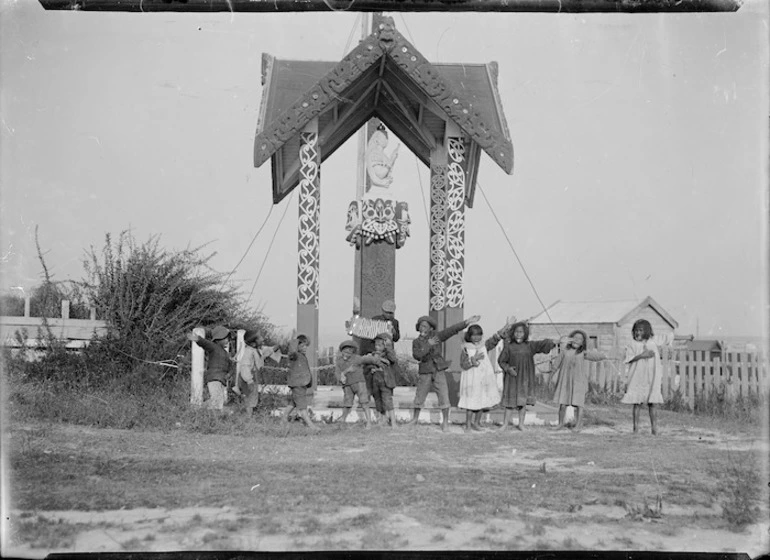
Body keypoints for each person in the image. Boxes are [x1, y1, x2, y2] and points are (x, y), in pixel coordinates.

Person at [409, 313, 481, 432]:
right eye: (421, 326)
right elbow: (418, 355)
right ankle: (414, 420)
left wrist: (467, 322)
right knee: (420, 396)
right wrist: (428, 344)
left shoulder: (437, 337)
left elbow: (451, 330)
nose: (423, 329)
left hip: (439, 370)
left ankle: (445, 423)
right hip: (425, 371)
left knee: (444, 396)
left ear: (431, 328)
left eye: (425, 326)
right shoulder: (416, 342)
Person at [497, 322, 558, 431]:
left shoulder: (530, 346)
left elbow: (542, 344)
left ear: (525, 333)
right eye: (516, 332)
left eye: (521, 332)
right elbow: (501, 361)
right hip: (512, 378)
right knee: (509, 403)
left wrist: (553, 342)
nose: (518, 334)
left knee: (522, 403)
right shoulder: (509, 346)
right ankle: (505, 424)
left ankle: (521, 424)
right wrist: (508, 369)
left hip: (525, 378)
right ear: (513, 333)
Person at [551, 330, 608, 431]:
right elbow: (556, 364)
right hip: (565, 382)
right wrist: (551, 375)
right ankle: (560, 423)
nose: (577, 340)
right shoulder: (564, 352)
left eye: (580, 339)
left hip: (578, 382)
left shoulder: (583, 353)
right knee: (563, 404)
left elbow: (595, 357)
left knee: (579, 405)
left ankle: (578, 425)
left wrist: (603, 355)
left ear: (583, 343)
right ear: (570, 339)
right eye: (575, 338)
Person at [458, 322, 511, 432]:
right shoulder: (465, 349)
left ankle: (477, 423)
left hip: (483, 377)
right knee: (470, 403)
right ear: (469, 336)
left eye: (479, 335)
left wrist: (505, 327)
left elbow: (495, 338)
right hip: (471, 379)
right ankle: (468, 425)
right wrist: (473, 359)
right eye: (474, 335)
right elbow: (463, 365)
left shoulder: (484, 345)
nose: (477, 337)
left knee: (482, 401)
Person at [620, 319, 666, 435]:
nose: (637, 333)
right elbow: (628, 359)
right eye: (635, 331)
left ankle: (654, 429)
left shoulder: (653, 342)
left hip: (651, 377)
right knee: (637, 402)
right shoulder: (632, 344)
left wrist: (686, 337)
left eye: (640, 330)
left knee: (652, 403)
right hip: (638, 376)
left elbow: (667, 337)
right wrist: (642, 355)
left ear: (646, 331)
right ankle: (635, 429)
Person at [236, 330, 282, 415]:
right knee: (250, 397)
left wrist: (275, 348)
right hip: (247, 377)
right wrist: (249, 380)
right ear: (253, 343)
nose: (263, 338)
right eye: (260, 338)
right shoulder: (248, 352)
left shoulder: (256, 349)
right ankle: (248, 416)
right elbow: (245, 366)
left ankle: (248, 415)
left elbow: (266, 351)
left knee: (252, 396)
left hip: (252, 376)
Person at [187, 326, 232, 412]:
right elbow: (205, 343)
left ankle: (199, 409)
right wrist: (198, 339)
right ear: (218, 339)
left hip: (222, 379)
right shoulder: (214, 347)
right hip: (214, 378)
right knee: (217, 399)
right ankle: (207, 414)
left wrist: (229, 373)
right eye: (225, 338)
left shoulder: (226, 353)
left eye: (228, 339)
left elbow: (230, 365)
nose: (227, 341)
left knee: (218, 399)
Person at [335, 339, 377, 428]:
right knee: (347, 404)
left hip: (359, 383)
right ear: (341, 351)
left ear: (353, 352)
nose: (346, 354)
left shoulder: (357, 358)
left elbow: (367, 359)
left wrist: (376, 360)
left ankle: (369, 422)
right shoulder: (339, 361)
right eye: (344, 352)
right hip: (347, 385)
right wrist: (340, 378)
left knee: (364, 402)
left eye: (349, 353)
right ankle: (342, 420)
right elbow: (337, 373)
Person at [281, 334, 319, 430]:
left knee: (294, 402)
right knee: (302, 406)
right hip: (298, 383)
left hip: (301, 383)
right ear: (296, 346)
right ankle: (311, 426)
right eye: (302, 346)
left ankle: (284, 418)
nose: (305, 348)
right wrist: (294, 341)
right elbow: (292, 351)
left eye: (306, 346)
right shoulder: (294, 355)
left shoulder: (301, 355)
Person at [368, 331, 400, 428]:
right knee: (378, 400)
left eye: (380, 344)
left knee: (387, 400)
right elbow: (367, 365)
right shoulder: (372, 354)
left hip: (386, 381)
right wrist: (371, 367)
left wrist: (388, 348)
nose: (377, 347)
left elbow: (393, 359)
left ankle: (393, 421)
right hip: (375, 381)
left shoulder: (388, 354)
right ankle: (381, 420)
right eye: (376, 344)